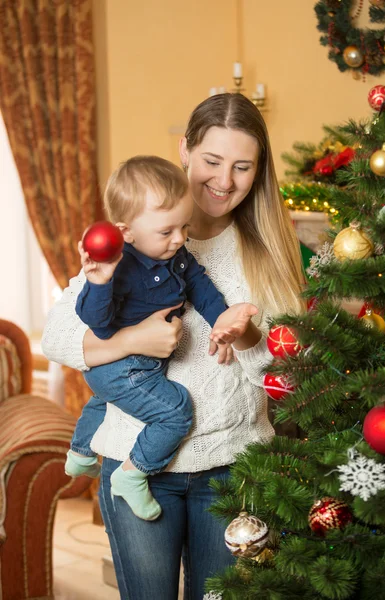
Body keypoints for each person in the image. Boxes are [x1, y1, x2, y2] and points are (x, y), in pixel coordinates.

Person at [42, 93, 305, 600]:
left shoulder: (266, 252)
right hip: (138, 467)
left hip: (231, 469)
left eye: (242, 166)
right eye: (211, 160)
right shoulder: (133, 237)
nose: (224, 180)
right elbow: (58, 336)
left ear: (258, 171)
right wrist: (132, 339)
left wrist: (247, 337)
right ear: (185, 150)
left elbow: (284, 375)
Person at [66, 155, 258, 522]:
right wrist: (99, 282)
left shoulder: (177, 256)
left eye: (184, 227)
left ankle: (80, 454)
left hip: (127, 375)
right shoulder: (116, 266)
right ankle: (133, 474)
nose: (180, 239)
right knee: (175, 410)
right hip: (122, 367)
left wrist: (221, 318)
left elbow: (199, 285)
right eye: (167, 231)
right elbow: (97, 324)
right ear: (126, 232)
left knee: (106, 401)